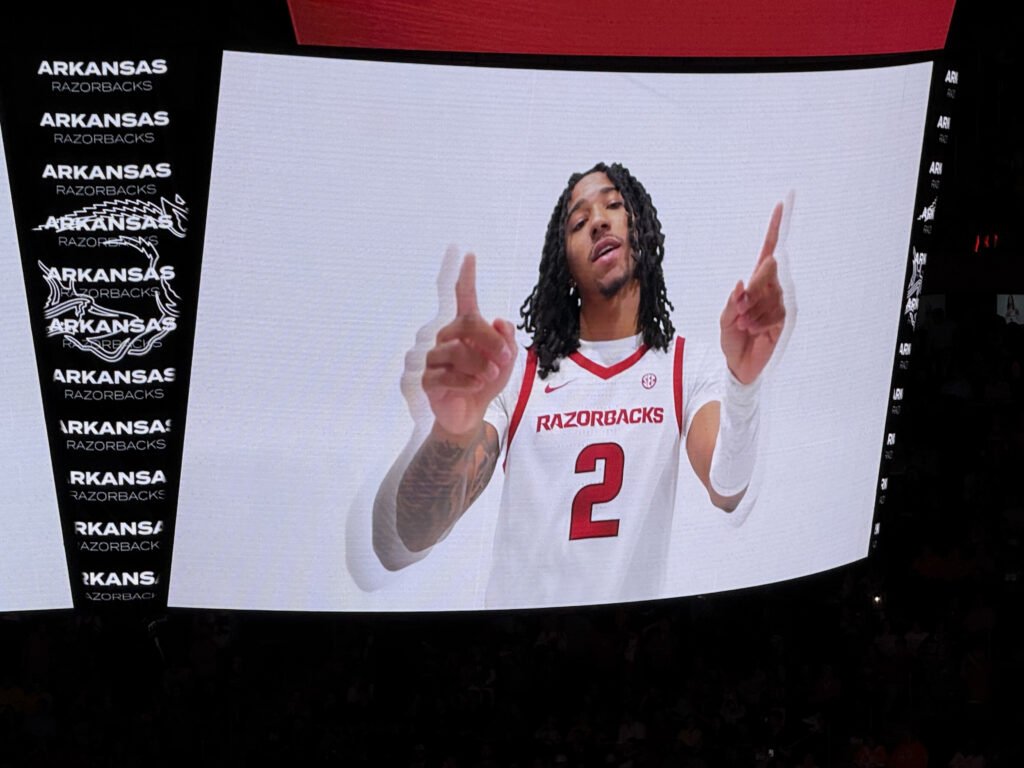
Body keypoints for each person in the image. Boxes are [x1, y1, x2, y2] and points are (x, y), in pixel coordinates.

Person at [374, 162, 787, 607]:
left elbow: (726, 490)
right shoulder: (519, 374)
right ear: (564, 264)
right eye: (579, 222)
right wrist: (451, 432)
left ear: (641, 229)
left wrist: (743, 384)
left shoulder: (685, 366)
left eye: (613, 205)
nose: (599, 222)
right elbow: (416, 532)